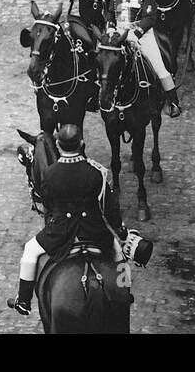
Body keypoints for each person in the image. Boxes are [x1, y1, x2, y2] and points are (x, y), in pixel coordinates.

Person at [7, 123, 126, 316]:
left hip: (61, 232)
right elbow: (109, 207)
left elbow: (48, 204)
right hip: (93, 230)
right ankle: (123, 292)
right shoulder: (95, 173)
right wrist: (120, 231)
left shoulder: (50, 174)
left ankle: (23, 301)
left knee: (29, 252)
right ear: (82, 144)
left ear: (59, 146)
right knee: (119, 254)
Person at [109, 0, 183, 117]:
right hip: (119, 34)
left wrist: (138, 32)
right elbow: (110, 12)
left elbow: (150, 17)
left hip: (141, 36)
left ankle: (173, 101)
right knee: (104, 60)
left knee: (159, 67)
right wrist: (110, 26)